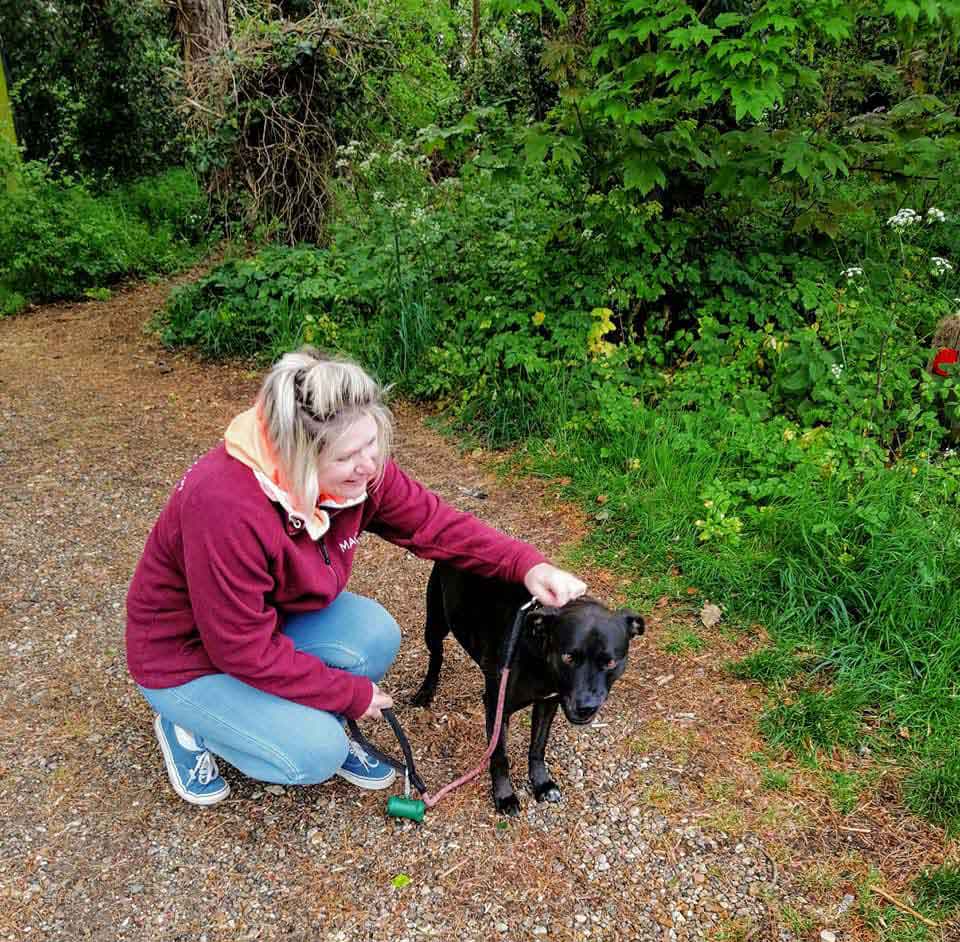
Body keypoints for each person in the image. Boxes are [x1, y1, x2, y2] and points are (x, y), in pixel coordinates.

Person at [126, 348, 587, 805]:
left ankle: (266, 710)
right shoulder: (226, 507)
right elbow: (239, 648)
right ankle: (190, 723)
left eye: (373, 445)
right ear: (298, 455)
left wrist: (527, 564)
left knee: (374, 635)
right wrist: (346, 694)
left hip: (266, 621)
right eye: (350, 456)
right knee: (313, 754)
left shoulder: (359, 475)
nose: (369, 466)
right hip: (186, 656)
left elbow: (436, 525)